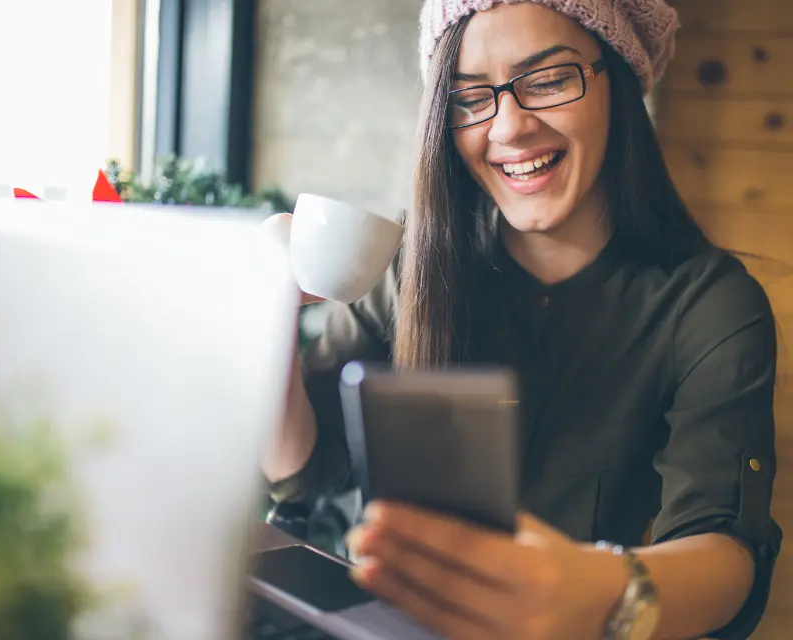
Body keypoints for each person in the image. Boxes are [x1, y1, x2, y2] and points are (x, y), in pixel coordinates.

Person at [261, 1, 783, 638]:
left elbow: (726, 550)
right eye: (469, 96)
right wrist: (270, 319)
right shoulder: (409, 265)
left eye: (550, 79)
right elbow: (299, 474)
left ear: (617, 85)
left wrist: (596, 590)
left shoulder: (708, 305)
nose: (508, 127)